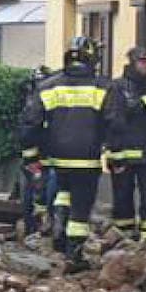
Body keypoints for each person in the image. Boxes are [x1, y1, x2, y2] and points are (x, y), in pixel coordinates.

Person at [19, 36, 110, 267]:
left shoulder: (49, 86)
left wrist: (32, 156)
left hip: (58, 158)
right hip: (87, 159)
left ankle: (58, 230)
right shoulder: (103, 87)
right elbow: (115, 123)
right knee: (81, 206)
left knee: (63, 191)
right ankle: (75, 254)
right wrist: (114, 150)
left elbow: (30, 124)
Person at [103, 45, 146, 243]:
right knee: (123, 194)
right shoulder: (117, 87)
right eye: (142, 62)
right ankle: (124, 235)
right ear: (132, 63)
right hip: (123, 153)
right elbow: (114, 118)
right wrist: (141, 105)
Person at [17, 66, 57, 238]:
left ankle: (34, 228)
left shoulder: (32, 101)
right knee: (39, 193)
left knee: (36, 192)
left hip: (38, 159)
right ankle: (36, 228)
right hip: (39, 159)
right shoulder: (37, 103)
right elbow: (28, 133)